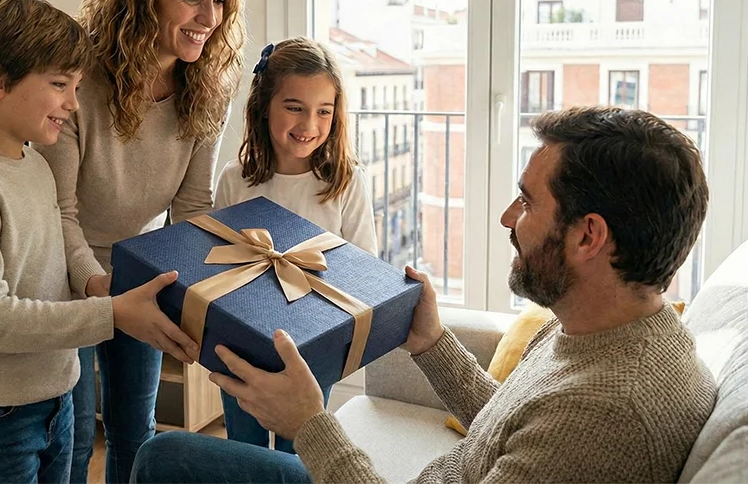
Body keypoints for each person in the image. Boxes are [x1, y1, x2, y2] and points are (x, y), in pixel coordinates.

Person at [131, 105, 718, 484]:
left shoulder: (606, 413)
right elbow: (508, 427)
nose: (507, 217)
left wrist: (311, 424)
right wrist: (432, 344)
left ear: (589, 237)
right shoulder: (597, 331)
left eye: (529, 202)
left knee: (166, 461)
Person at [0, 0, 197, 484]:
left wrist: (98, 286)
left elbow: (54, 264)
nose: (71, 103)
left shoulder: (36, 167)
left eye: (77, 87)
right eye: (60, 85)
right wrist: (110, 314)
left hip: (54, 392)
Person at [32, 0, 246, 484]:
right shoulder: (79, 79)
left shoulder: (208, 86)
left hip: (140, 271)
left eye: (221, 0)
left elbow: (193, 208)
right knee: (71, 442)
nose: (210, 18)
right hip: (63, 278)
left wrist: (205, 297)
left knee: (136, 433)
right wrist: (100, 293)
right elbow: (61, 212)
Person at [214, 37, 378, 453]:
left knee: (300, 453)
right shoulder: (236, 180)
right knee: (244, 452)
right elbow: (217, 267)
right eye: (294, 108)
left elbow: (365, 269)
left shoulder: (345, 183)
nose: (309, 125)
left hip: (313, 347)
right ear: (263, 106)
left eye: (324, 111)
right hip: (241, 343)